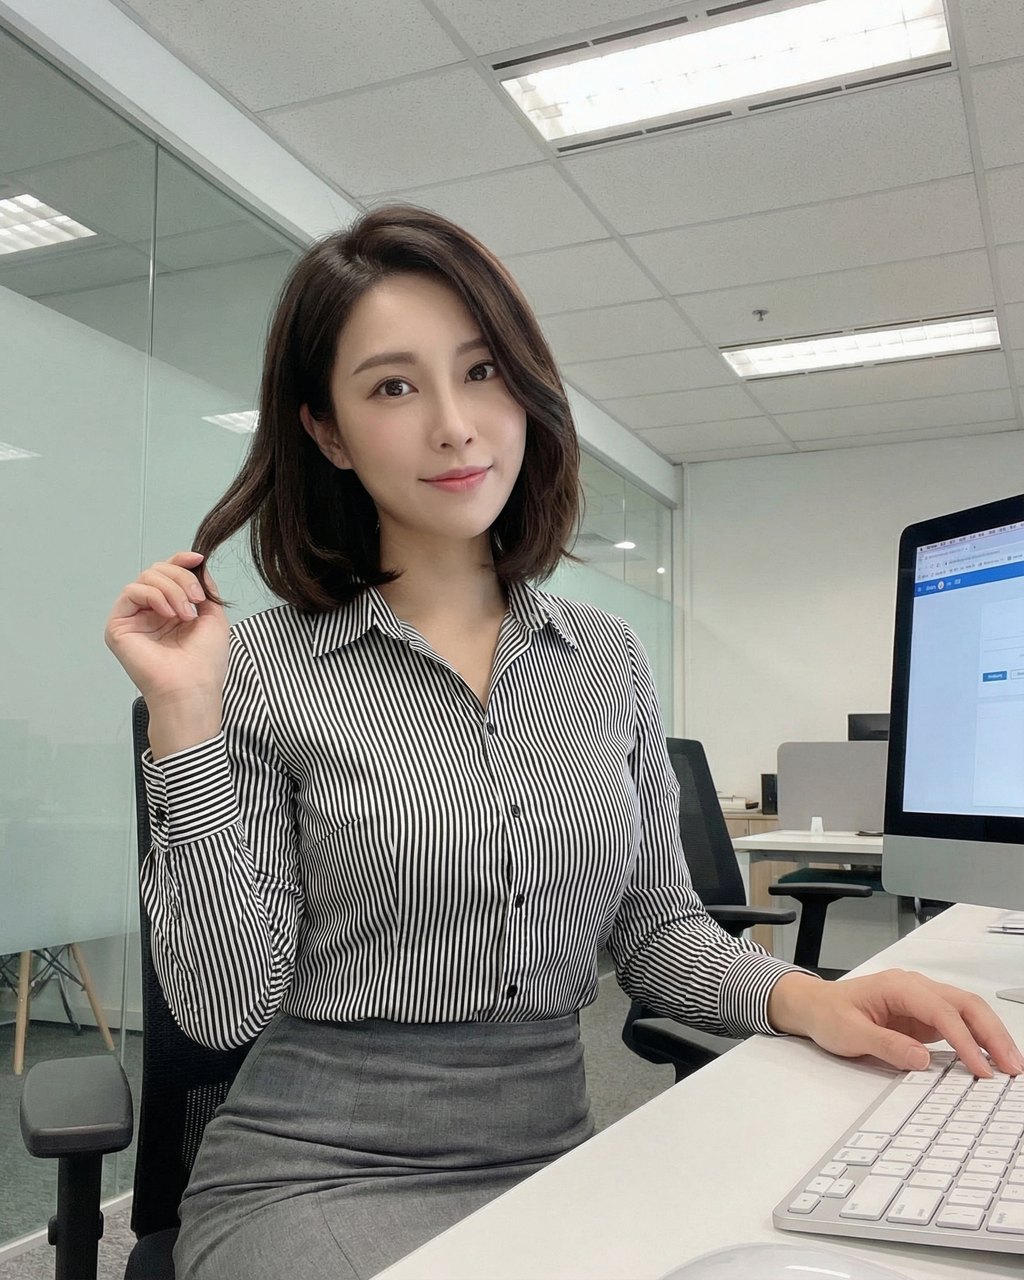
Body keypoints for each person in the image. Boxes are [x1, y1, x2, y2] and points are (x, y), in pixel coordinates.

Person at [104, 204, 1024, 1280]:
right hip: (314, 1171)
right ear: (326, 430)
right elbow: (220, 1004)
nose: (456, 424)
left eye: (482, 370)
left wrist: (816, 996)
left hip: (554, 1156)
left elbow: (657, 930)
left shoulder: (607, 657)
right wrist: (183, 717)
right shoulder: (257, 669)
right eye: (393, 386)